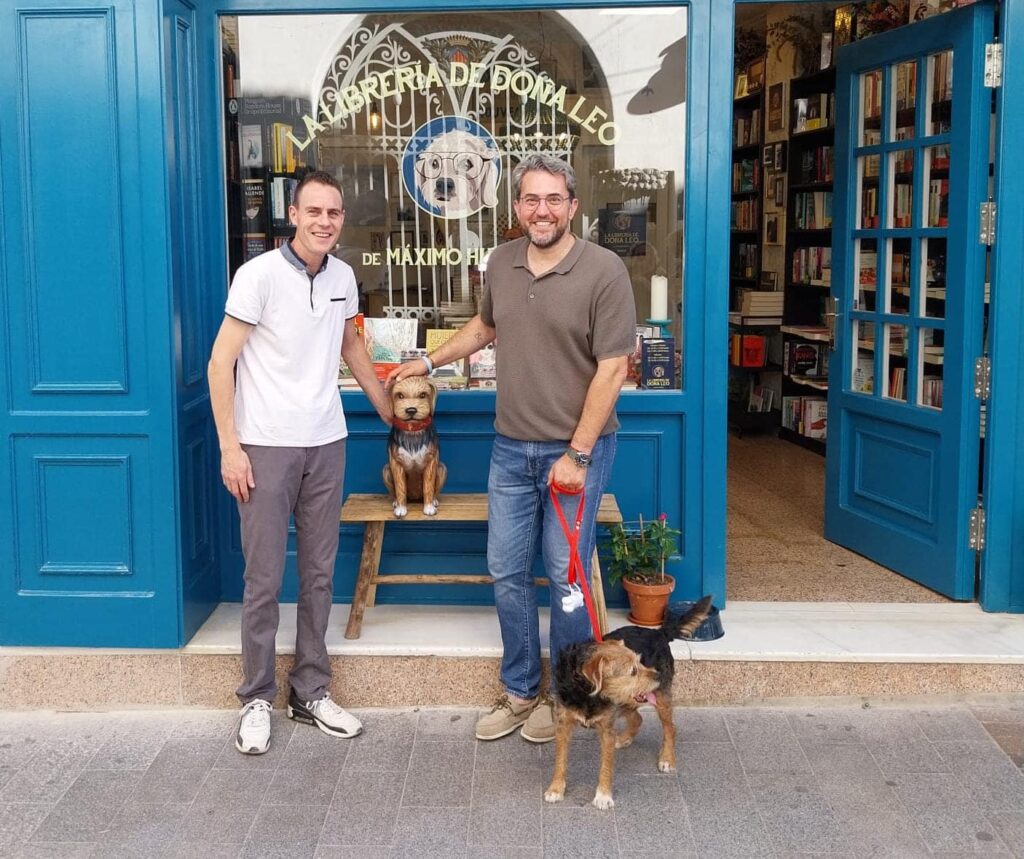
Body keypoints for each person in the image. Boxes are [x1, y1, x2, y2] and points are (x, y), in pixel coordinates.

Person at [387, 154, 636, 743]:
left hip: (574, 451)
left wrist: (576, 456)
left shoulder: (604, 271)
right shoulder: (501, 261)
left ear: (572, 206)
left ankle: (568, 696)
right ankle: (523, 689)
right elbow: (485, 326)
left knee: (566, 575)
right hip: (510, 449)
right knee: (505, 570)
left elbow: (612, 369)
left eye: (554, 199)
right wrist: (428, 360)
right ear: (516, 206)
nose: (542, 210)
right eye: (531, 199)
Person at [209, 170, 392, 755]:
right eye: (313, 211)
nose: (324, 222)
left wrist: (387, 407)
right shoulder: (257, 275)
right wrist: (229, 447)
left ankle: (310, 690)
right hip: (264, 443)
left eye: (333, 213)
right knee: (263, 577)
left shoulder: (342, 276)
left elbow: (350, 346)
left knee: (318, 574)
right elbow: (220, 364)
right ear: (293, 213)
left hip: (326, 440)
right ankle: (257, 696)